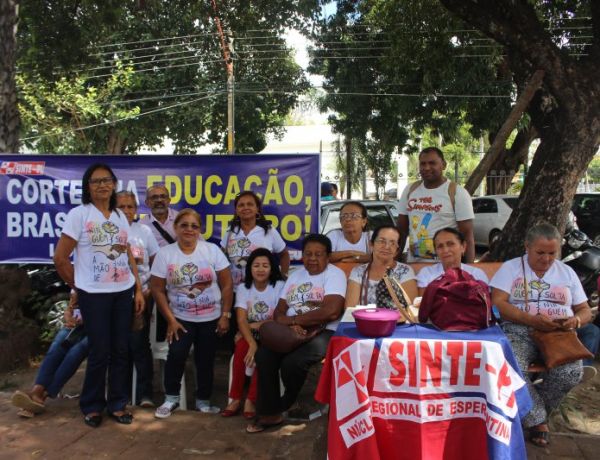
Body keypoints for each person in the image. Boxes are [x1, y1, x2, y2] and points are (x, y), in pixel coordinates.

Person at [53, 163, 145, 428]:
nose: (102, 185)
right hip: (94, 296)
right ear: (88, 187)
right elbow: (60, 258)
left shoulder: (119, 216)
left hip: (123, 292)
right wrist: (79, 286)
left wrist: (137, 288)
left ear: (114, 184)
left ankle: (117, 404)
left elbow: (125, 253)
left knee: (120, 350)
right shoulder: (79, 215)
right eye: (95, 181)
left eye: (106, 180)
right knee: (99, 351)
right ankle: (92, 406)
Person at [490, 222, 593, 447]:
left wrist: (575, 320)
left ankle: (530, 412)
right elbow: (497, 302)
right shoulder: (511, 268)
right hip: (519, 330)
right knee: (511, 368)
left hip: (558, 335)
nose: (546, 259)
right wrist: (530, 319)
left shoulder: (566, 272)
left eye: (552, 253)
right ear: (527, 247)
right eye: (540, 253)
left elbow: (585, 310)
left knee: (570, 373)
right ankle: (538, 421)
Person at [248, 234, 346, 433]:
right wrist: (291, 324)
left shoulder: (335, 275)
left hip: (323, 330)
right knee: (264, 355)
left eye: (318, 254)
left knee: (293, 362)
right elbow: (279, 312)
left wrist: (294, 321)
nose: (312, 258)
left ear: (328, 256)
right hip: (291, 330)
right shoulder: (296, 275)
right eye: (308, 254)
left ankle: (287, 401)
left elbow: (331, 311)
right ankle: (270, 413)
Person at [151, 209, 233, 418]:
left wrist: (225, 315)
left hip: (211, 318)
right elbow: (157, 289)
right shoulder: (165, 254)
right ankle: (171, 399)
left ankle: (203, 402)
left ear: (200, 230)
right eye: (184, 225)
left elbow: (227, 284)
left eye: (194, 226)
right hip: (180, 319)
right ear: (175, 228)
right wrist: (171, 320)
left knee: (205, 360)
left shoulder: (212, 250)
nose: (189, 230)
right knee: (176, 355)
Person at [222, 248, 285, 419]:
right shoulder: (244, 288)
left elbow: (279, 318)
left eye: (265, 265)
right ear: (250, 268)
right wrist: (251, 343)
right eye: (256, 265)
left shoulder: (279, 286)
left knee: (263, 357)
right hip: (250, 334)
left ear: (272, 268)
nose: (260, 269)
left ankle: (251, 399)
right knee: (241, 350)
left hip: (271, 335)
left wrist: (254, 325)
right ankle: (235, 398)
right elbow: (241, 319)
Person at [11, 292, 89, 417]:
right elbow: (71, 307)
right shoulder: (78, 284)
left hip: (99, 326)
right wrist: (68, 315)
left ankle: (42, 395)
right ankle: (37, 390)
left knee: (75, 352)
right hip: (77, 324)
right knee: (57, 347)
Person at [116, 191, 160, 408]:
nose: (126, 211)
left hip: (142, 296)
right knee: (120, 347)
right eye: (121, 207)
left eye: (130, 207)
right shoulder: (108, 231)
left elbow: (156, 263)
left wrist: (149, 289)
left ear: (136, 209)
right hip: (116, 296)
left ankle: (145, 395)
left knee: (139, 345)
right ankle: (121, 395)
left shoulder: (144, 231)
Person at [397, 147, 475, 263]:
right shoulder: (410, 190)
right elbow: (401, 231)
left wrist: (470, 268)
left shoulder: (457, 192)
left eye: (432, 163)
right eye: (423, 164)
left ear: (443, 165)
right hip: (414, 266)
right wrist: (395, 262)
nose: (427, 168)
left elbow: (467, 236)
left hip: (446, 266)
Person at [221, 190, 289, 288]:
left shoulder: (268, 230)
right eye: (241, 205)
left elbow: (284, 254)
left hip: (264, 290)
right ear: (236, 210)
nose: (245, 207)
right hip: (236, 291)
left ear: (257, 209)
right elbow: (221, 259)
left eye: (250, 204)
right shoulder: (230, 232)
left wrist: (283, 277)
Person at [139, 184, 177, 342]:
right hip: (153, 280)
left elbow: (198, 245)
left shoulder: (182, 219)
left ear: (169, 200)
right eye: (154, 197)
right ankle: (153, 348)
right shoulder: (141, 226)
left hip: (179, 279)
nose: (159, 200)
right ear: (147, 202)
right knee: (148, 321)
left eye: (163, 196)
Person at [345, 225, 417, 307]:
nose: (386, 247)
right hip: (364, 315)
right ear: (371, 245)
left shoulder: (405, 271)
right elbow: (350, 308)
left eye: (392, 243)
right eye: (382, 241)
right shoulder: (358, 272)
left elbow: (410, 308)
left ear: (397, 251)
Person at [417, 227, 489, 295]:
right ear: (436, 251)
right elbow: (424, 302)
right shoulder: (427, 273)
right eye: (440, 246)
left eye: (450, 244)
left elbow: (485, 301)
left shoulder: (476, 274)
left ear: (463, 247)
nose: (445, 250)